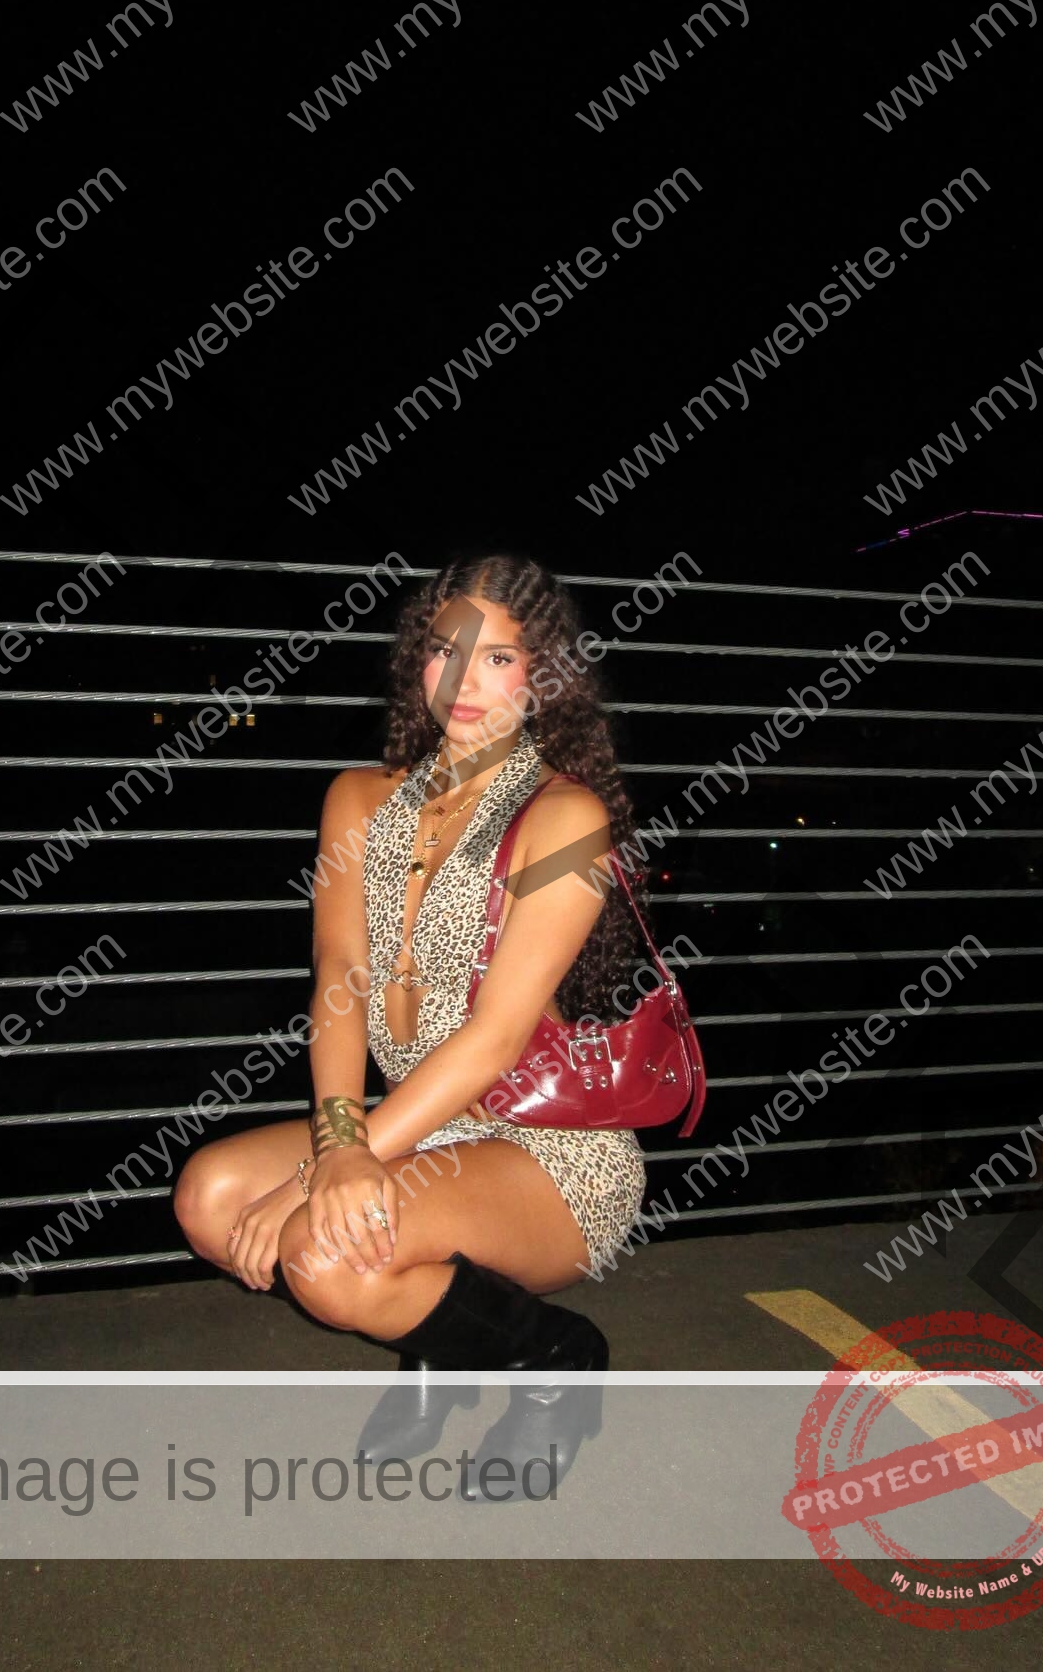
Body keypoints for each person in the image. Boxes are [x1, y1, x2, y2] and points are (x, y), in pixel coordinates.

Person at [173, 552, 652, 1495]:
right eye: (444, 650)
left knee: (322, 1254)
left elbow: (496, 1038)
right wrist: (339, 1140)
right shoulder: (359, 797)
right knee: (209, 1198)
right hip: (417, 1125)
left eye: (499, 658)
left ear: (544, 674)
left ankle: (556, 1359)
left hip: (548, 1151)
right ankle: (443, 1335)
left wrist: (327, 1170)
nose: (463, 680)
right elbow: (340, 977)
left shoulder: (565, 815)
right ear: (416, 658)